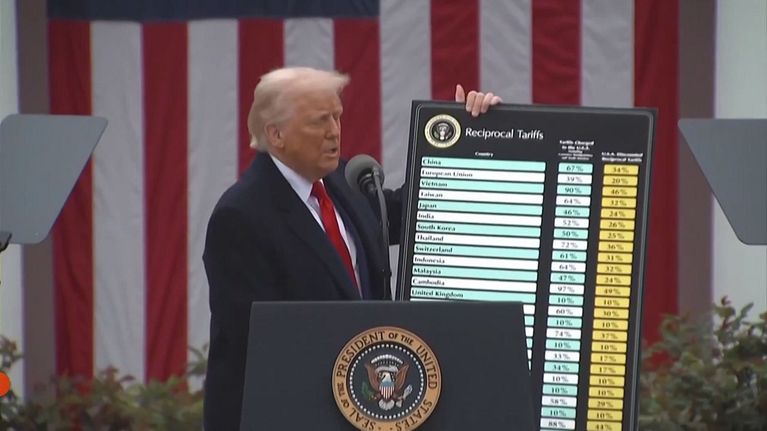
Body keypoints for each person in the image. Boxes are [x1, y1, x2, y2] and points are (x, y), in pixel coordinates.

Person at [202, 67, 501, 429]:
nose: (334, 131)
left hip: (358, 408)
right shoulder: (241, 216)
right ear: (276, 134)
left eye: (337, 116)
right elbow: (260, 341)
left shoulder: (341, 181)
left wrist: (468, 136)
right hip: (289, 415)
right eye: (319, 121)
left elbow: (408, 213)